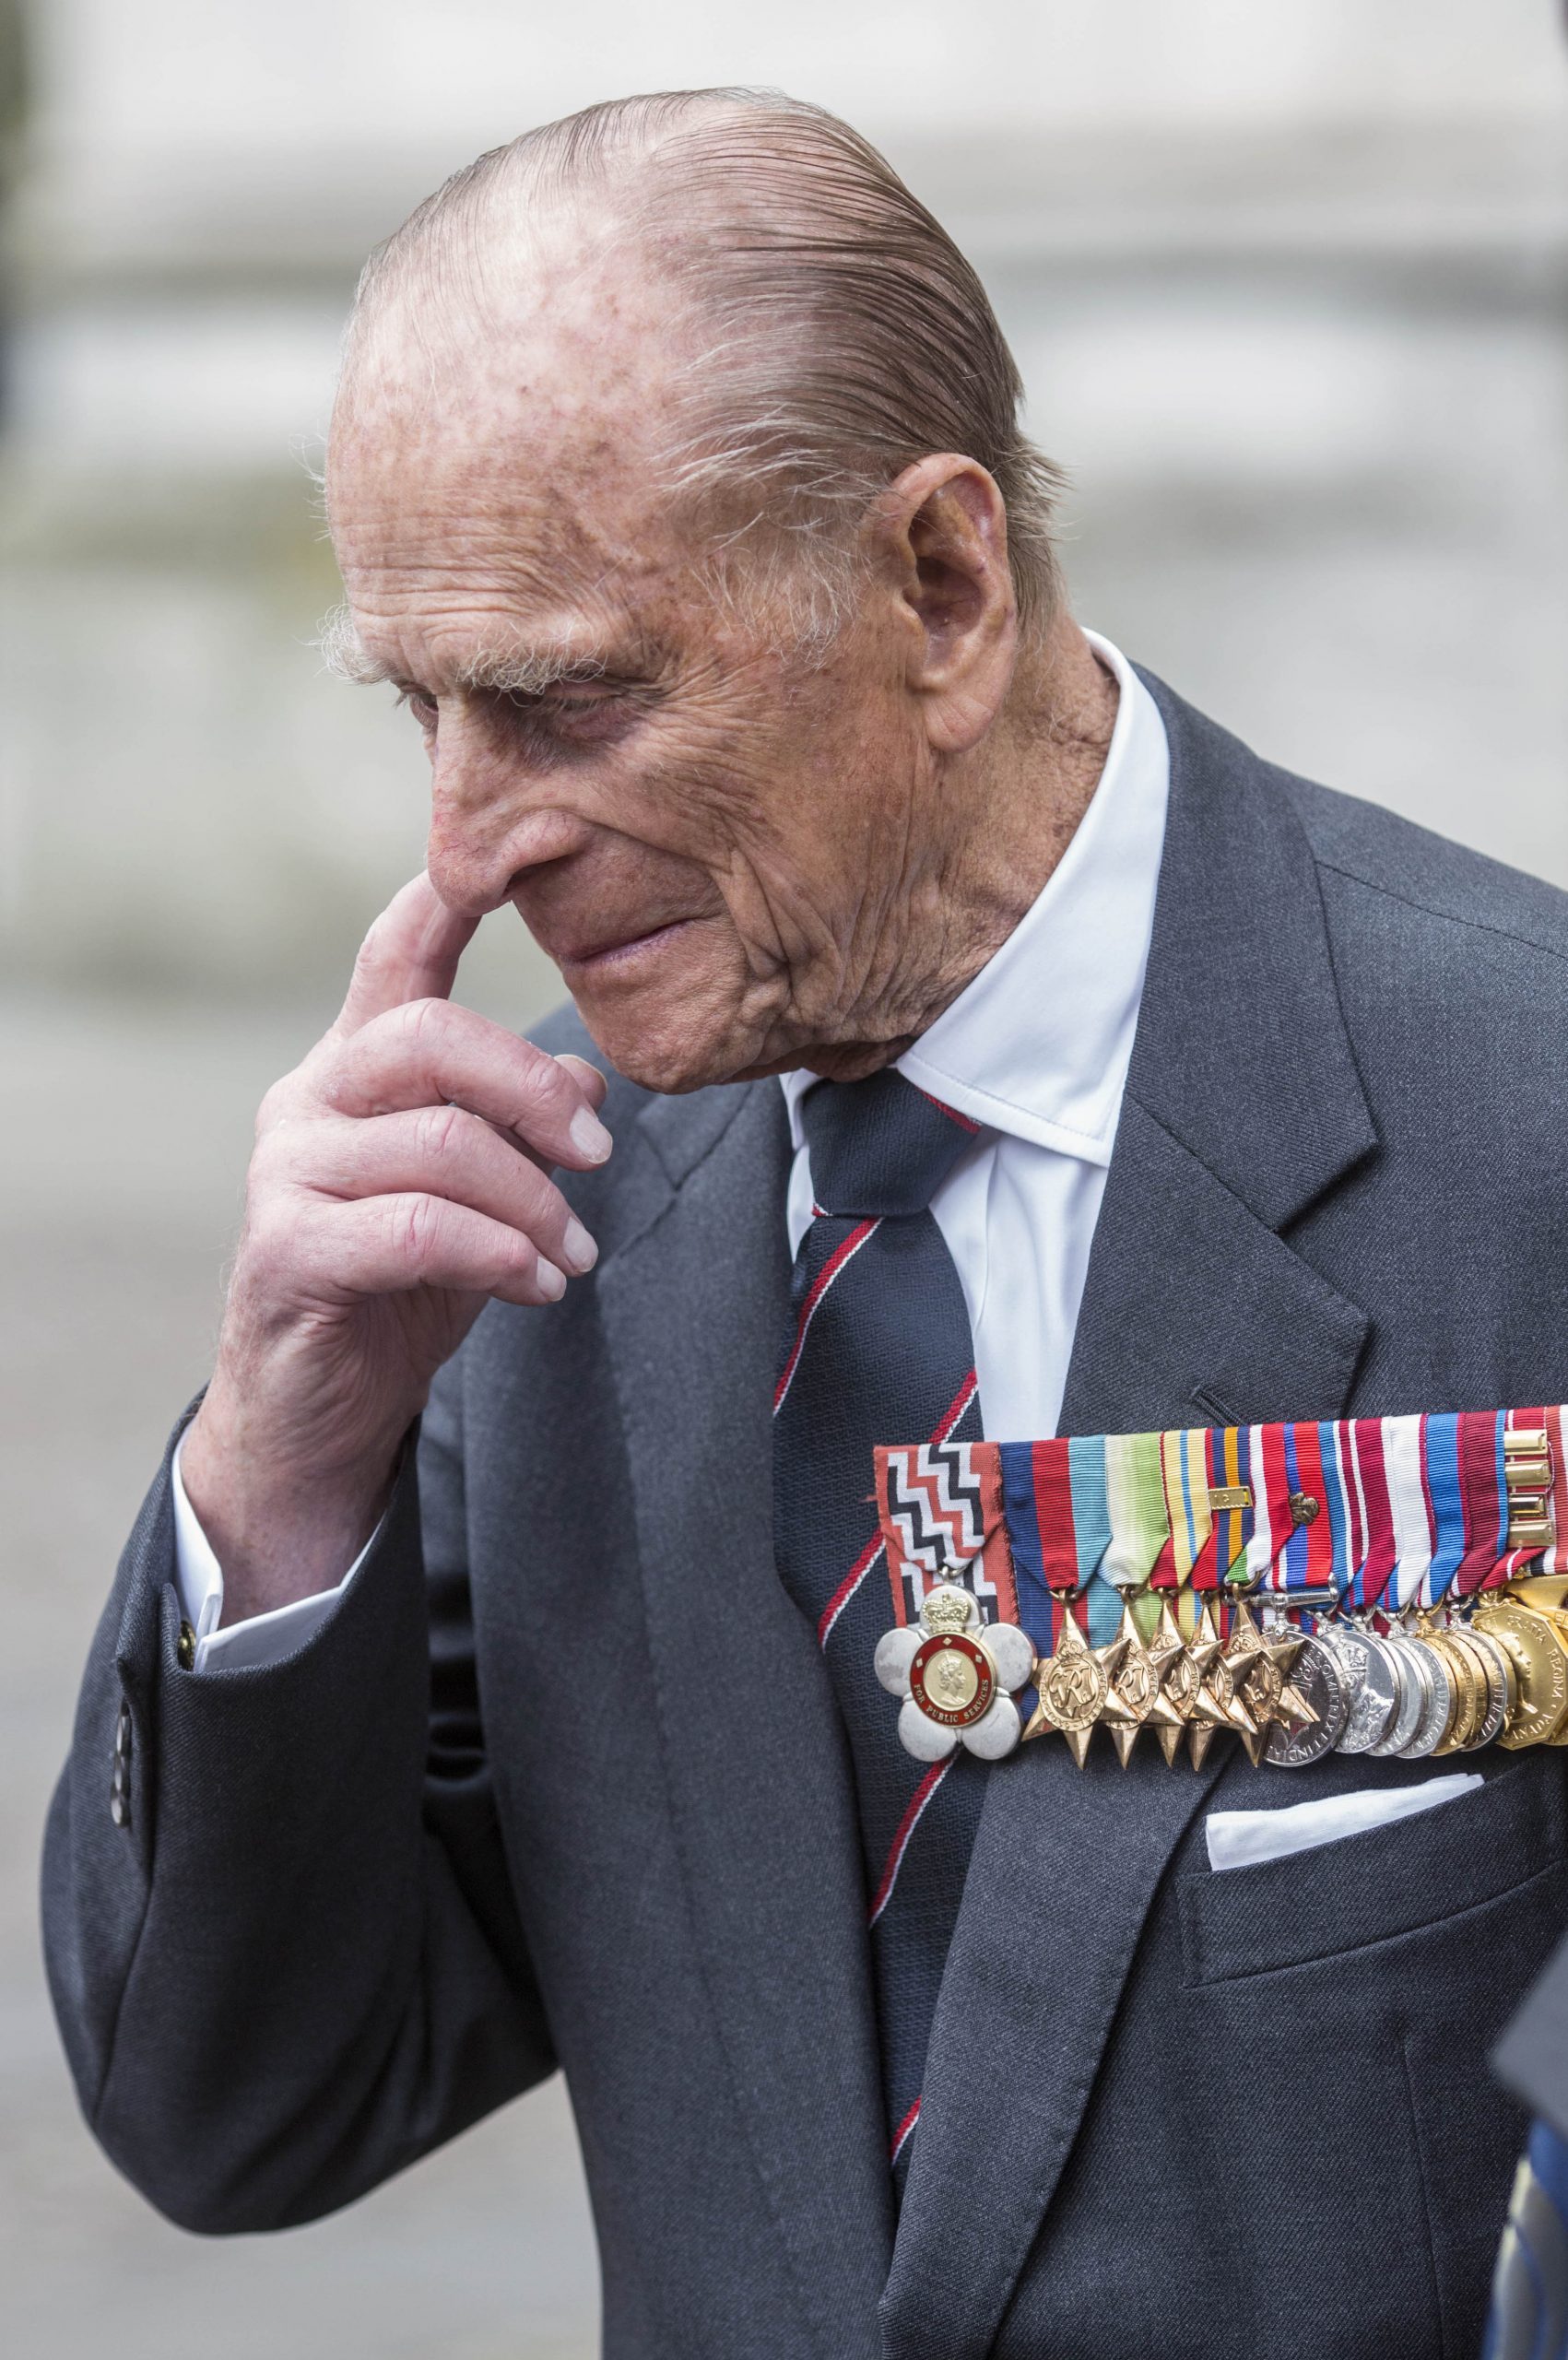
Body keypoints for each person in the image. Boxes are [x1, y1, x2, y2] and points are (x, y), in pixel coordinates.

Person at [42, 88, 1568, 2360]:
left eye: (566, 699)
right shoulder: (534, 1227)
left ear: (938, 588)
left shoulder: (1511, 1113)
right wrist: (283, 1465)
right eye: (419, 710)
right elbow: (243, 2105)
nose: (466, 847)